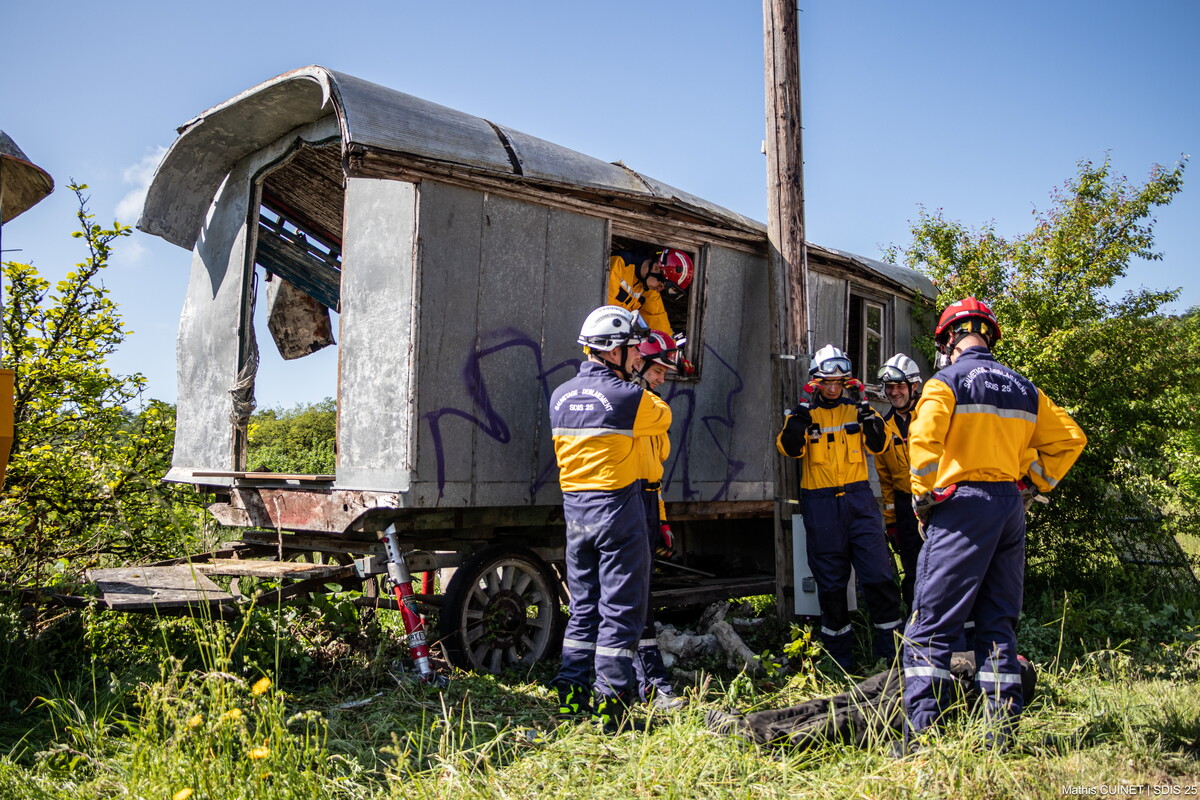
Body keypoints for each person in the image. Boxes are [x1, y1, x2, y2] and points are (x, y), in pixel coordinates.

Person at [902, 296, 1086, 750]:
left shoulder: (946, 381)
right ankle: (1001, 736)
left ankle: (919, 738)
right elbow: (1070, 439)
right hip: (1008, 508)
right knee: (998, 626)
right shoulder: (1025, 388)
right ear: (989, 336)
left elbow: (923, 441)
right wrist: (1032, 487)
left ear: (947, 339)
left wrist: (922, 499)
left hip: (963, 507)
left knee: (931, 624)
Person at [549, 306, 672, 731]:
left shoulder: (559, 396)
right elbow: (664, 418)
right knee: (620, 610)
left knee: (583, 609)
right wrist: (635, 384)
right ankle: (612, 704)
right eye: (633, 349)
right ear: (613, 350)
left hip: (575, 514)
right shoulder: (629, 397)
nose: (639, 357)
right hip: (617, 513)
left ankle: (570, 695)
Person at [776, 344, 903, 672]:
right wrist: (800, 416)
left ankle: (892, 655)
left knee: (878, 576)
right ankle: (840, 660)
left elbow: (879, 445)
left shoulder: (859, 410)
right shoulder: (804, 415)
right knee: (831, 585)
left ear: (847, 382)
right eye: (826, 383)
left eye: (839, 383)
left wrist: (865, 413)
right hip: (820, 505)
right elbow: (789, 449)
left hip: (859, 502)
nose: (833, 388)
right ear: (815, 383)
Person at [630, 330, 688, 710]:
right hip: (627, 499)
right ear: (641, 365)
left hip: (648, 500)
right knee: (630, 596)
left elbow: (655, 474)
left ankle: (648, 679)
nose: (664, 377)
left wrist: (662, 518)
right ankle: (647, 681)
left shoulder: (650, 404)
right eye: (660, 369)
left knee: (643, 593)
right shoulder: (631, 403)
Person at [873, 354, 925, 610]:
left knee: (947, 568)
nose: (894, 392)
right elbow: (886, 482)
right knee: (913, 571)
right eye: (889, 387)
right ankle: (918, 628)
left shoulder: (931, 417)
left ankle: (960, 633)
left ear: (914, 386)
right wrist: (892, 523)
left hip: (938, 503)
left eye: (900, 386)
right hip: (906, 508)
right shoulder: (884, 427)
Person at [607, 248, 693, 337]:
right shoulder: (621, 263)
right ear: (656, 268)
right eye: (660, 285)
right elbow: (604, 305)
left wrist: (669, 346)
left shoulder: (647, 286)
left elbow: (657, 319)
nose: (658, 290)